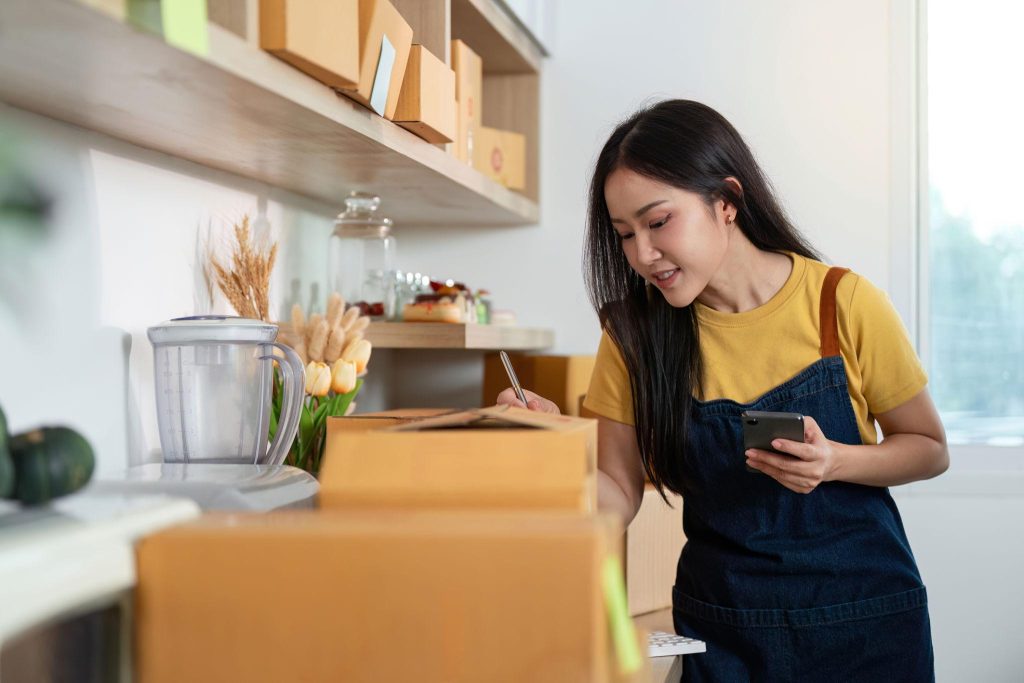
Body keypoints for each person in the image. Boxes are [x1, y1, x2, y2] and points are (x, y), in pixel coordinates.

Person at [497, 100, 948, 682]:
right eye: (625, 234)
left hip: (865, 624)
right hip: (723, 633)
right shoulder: (635, 336)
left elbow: (929, 448)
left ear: (727, 200)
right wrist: (545, 448)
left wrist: (835, 461)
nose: (641, 254)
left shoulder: (843, 304)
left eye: (658, 222)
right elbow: (614, 495)